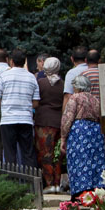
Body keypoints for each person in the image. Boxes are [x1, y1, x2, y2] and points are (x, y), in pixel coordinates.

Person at [60, 75, 105, 200]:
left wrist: (63, 137)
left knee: (79, 160)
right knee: (94, 160)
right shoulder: (95, 99)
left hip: (79, 131)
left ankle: (80, 192)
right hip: (95, 131)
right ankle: (95, 191)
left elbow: (68, 118)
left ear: (77, 87)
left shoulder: (75, 98)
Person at [0, 49, 40, 167]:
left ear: (11, 61)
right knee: (27, 153)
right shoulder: (31, 77)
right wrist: (25, 105)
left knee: (9, 153)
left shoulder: (4, 76)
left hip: (8, 120)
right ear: (24, 62)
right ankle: (30, 181)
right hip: (26, 119)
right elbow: (36, 102)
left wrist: (6, 105)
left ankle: (12, 182)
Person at [34, 57, 64, 193]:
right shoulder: (63, 84)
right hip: (59, 121)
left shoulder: (40, 83)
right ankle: (58, 182)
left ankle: (49, 182)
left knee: (45, 153)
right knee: (57, 154)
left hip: (43, 121)